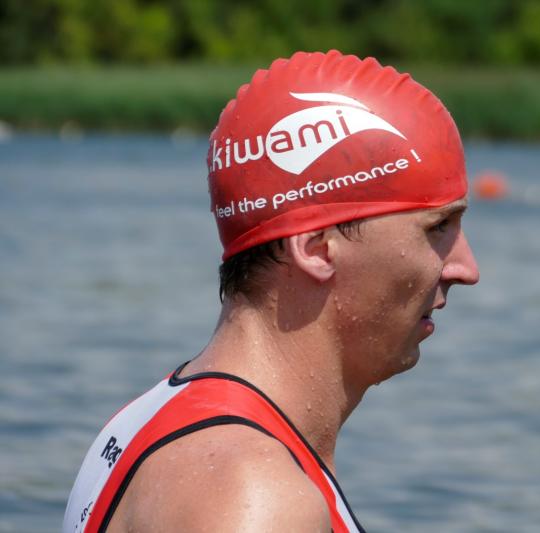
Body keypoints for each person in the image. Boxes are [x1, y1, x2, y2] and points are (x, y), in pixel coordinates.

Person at [63, 49, 479, 532]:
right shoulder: (255, 496)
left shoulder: (149, 420)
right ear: (318, 248)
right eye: (437, 227)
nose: (466, 268)